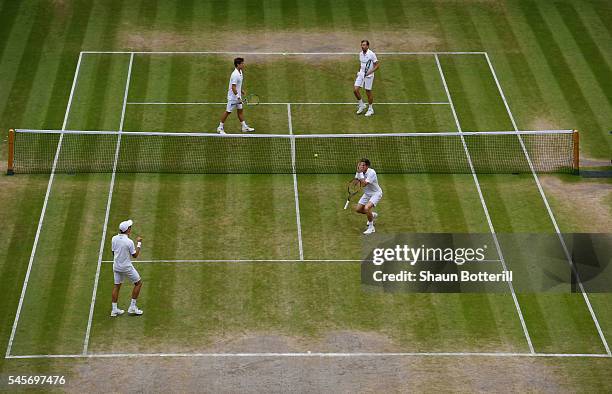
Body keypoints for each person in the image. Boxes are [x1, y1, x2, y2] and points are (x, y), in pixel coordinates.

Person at [110, 220, 144, 317]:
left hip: (116, 266)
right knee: (138, 283)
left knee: (117, 286)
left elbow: (113, 253)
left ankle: (114, 309)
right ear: (127, 230)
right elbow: (135, 255)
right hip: (126, 267)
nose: (131, 229)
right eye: (130, 227)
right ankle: (132, 307)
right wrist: (139, 243)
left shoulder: (114, 239)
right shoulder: (129, 242)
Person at [217, 57, 255, 134]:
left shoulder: (240, 72)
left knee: (240, 111)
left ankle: (244, 127)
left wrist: (241, 90)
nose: (243, 65)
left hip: (238, 96)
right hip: (233, 98)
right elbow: (233, 87)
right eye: (242, 63)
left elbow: (237, 85)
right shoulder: (235, 74)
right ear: (238, 64)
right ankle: (220, 128)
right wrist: (238, 97)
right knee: (228, 111)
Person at [353, 159, 383, 234]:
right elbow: (355, 182)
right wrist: (358, 173)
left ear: (367, 166)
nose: (361, 167)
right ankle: (371, 215)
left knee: (367, 208)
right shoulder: (359, 172)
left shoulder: (372, 172)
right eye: (360, 165)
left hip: (376, 193)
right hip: (367, 194)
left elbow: (364, 184)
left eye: (363, 165)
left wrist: (360, 175)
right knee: (358, 209)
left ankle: (371, 227)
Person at [353, 40, 380, 117]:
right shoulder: (360, 54)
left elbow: (377, 65)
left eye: (364, 45)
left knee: (368, 92)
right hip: (361, 74)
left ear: (368, 46)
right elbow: (361, 64)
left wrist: (369, 72)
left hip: (369, 76)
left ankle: (371, 109)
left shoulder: (371, 54)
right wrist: (359, 71)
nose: (362, 46)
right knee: (355, 90)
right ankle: (362, 105)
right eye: (362, 45)